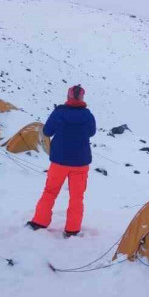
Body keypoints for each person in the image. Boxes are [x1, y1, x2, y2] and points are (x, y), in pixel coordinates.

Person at [26, 85, 96, 237]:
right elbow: (91, 133)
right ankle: (72, 229)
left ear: (68, 96)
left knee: (50, 191)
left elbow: (47, 131)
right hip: (81, 162)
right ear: (82, 97)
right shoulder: (87, 115)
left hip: (59, 161)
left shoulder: (59, 112)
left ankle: (39, 221)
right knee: (77, 197)